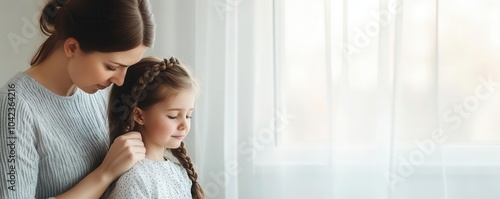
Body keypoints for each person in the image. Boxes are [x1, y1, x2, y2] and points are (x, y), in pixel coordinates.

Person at [0, 0, 155, 198]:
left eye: (128, 67)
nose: (120, 80)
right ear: (72, 47)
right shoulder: (14, 106)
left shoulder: (96, 91)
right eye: (112, 67)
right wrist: (104, 174)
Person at [105, 57, 204, 199]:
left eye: (188, 115)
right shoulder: (134, 179)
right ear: (139, 116)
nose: (184, 125)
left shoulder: (179, 172)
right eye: (173, 116)